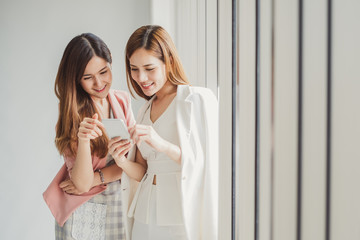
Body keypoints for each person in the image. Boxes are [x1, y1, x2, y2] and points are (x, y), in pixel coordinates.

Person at [109, 25, 219, 240]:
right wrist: (121, 161)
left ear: (168, 60)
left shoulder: (196, 100)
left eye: (149, 68)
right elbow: (143, 170)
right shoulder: (144, 110)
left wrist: (161, 144)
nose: (141, 78)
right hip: (144, 212)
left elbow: (209, 163)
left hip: (179, 215)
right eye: (134, 69)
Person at [43, 33, 135, 240]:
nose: (99, 83)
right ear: (76, 79)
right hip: (84, 212)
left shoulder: (121, 100)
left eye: (104, 71)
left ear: (111, 61)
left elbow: (135, 162)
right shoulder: (71, 113)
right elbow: (82, 185)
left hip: (118, 205)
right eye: (87, 77)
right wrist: (84, 141)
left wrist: (97, 177)